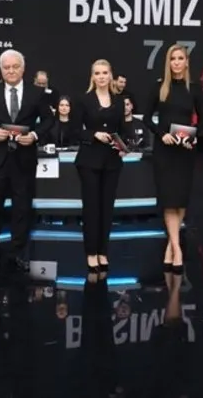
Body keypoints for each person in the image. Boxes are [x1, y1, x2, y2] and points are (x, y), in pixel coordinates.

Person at [0, 49, 54, 274]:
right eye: (6, 67)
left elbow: (49, 120)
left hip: (24, 160)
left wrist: (35, 135)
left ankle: (19, 253)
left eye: (15, 67)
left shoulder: (37, 93)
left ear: (23, 68)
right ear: (1, 70)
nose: (11, 71)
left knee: (22, 209)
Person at [140, 44, 203, 274]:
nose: (176, 62)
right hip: (165, 150)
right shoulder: (159, 87)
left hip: (185, 151)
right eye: (173, 59)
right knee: (168, 200)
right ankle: (177, 249)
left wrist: (192, 138)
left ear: (186, 62)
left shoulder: (194, 89)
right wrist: (161, 134)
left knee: (180, 200)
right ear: (168, 62)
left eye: (180, 58)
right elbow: (147, 118)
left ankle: (170, 246)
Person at [73, 59, 126, 274]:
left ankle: (103, 250)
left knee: (107, 208)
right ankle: (91, 252)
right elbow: (75, 130)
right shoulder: (83, 100)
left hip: (112, 161)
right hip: (89, 160)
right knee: (92, 208)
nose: (101, 76)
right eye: (97, 73)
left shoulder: (119, 101)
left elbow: (123, 129)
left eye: (105, 72)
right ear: (92, 76)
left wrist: (123, 146)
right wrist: (93, 134)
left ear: (110, 75)